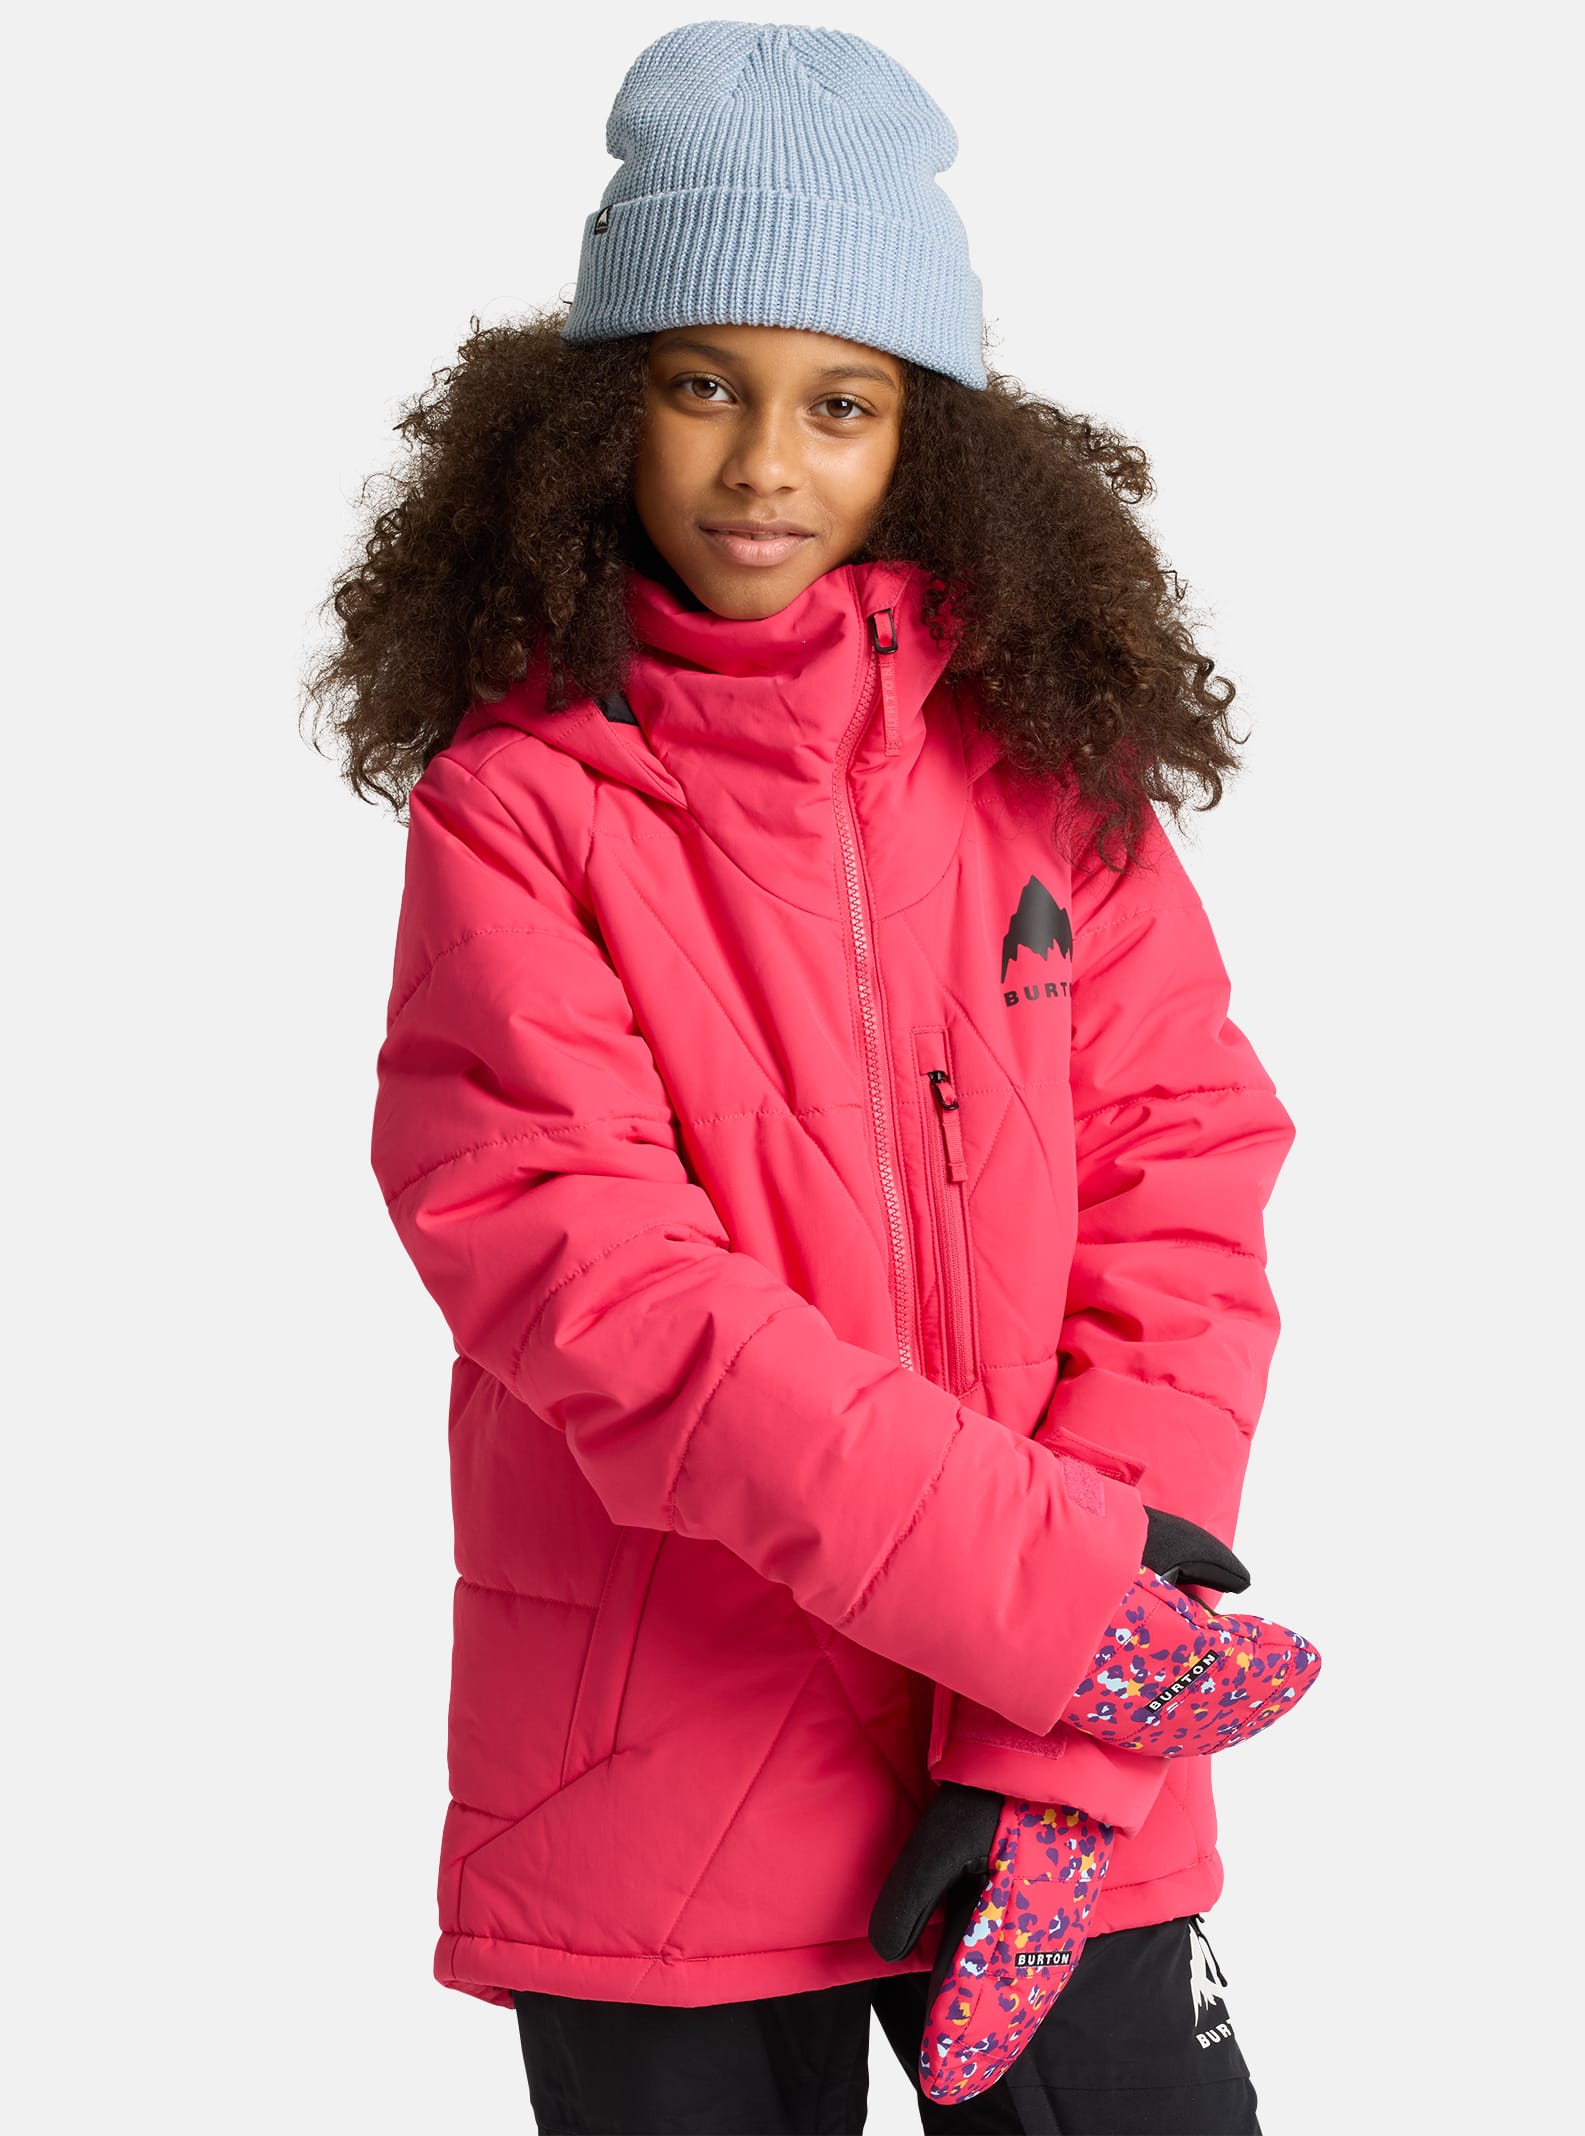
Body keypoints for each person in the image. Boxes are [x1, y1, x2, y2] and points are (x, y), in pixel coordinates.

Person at [305, 20, 1323, 2133]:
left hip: (1050, 1774)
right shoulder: (518, 806)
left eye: (838, 403)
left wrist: (1053, 1740)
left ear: (924, 441)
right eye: (703, 385)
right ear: (597, 414)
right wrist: (1068, 1611)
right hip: (661, 1770)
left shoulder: (1045, 775)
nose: (765, 461)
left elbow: (1182, 1201)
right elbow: (593, 1281)